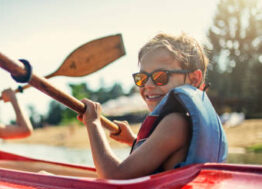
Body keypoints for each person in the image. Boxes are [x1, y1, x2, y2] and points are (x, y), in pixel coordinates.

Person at [78, 33, 227, 180]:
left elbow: (113, 175)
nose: (148, 85)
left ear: (194, 79)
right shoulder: (180, 123)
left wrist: (93, 122)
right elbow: (165, 154)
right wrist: (133, 141)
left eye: (161, 76)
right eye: (141, 78)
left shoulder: (175, 123)